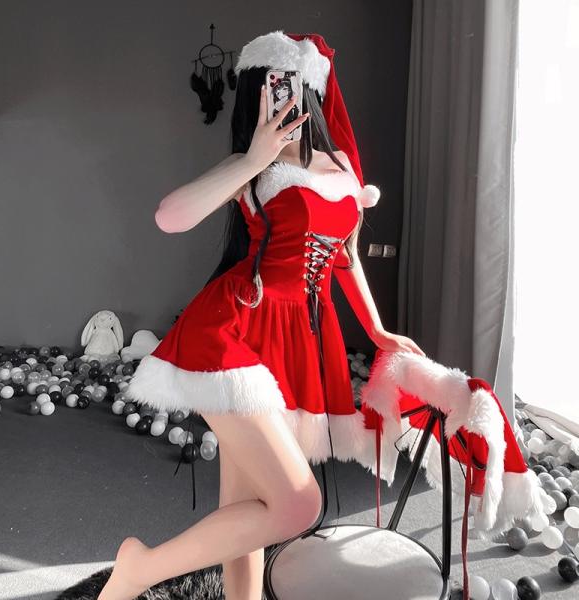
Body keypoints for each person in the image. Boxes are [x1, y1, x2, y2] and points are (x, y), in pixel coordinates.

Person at [98, 30, 424, 600]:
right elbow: (170, 217)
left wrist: (376, 329)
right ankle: (139, 569)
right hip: (233, 332)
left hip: (295, 339)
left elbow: (344, 256)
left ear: (312, 88)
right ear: (256, 90)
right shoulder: (252, 167)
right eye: (271, 85)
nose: (283, 97)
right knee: (298, 505)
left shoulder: (340, 166)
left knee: (248, 503)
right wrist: (253, 158)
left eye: (291, 84)